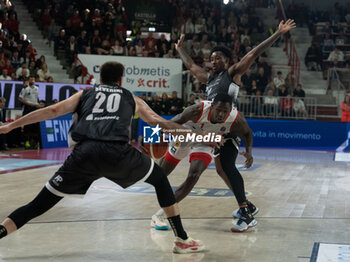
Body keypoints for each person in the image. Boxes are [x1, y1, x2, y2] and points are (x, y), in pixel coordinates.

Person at [0, 61, 205, 254]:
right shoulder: (132, 99)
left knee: (37, 205)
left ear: (100, 79)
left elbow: (52, 110)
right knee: (160, 179)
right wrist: (199, 136)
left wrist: (11, 125)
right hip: (118, 153)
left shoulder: (84, 95)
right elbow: (160, 123)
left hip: (84, 154)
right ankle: (181, 239)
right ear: (121, 80)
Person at [175, 19, 296, 231]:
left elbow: (254, 53)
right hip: (212, 130)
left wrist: (278, 33)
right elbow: (191, 66)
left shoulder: (232, 73)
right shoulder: (209, 78)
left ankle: (246, 214)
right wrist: (179, 48)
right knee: (222, 170)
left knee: (228, 167)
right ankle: (247, 205)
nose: (214, 61)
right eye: (212, 59)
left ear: (227, 60)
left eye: (218, 58)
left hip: (230, 128)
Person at [149, 94, 255, 232]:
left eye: (225, 111)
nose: (222, 114)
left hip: (206, 142)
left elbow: (247, 133)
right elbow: (171, 123)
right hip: (185, 135)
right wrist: (149, 135)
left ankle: (160, 215)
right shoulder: (197, 110)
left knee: (194, 175)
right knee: (160, 175)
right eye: (219, 110)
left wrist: (249, 152)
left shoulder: (235, 118)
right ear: (212, 107)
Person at [18, 76, 44, 149]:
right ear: (28, 80)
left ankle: (35, 142)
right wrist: (29, 104)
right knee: (27, 124)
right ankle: (26, 142)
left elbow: (36, 99)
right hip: (28, 108)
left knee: (35, 125)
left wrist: (39, 104)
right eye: (31, 79)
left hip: (35, 107)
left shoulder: (37, 88)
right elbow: (20, 99)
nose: (32, 80)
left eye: (33, 79)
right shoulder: (25, 89)